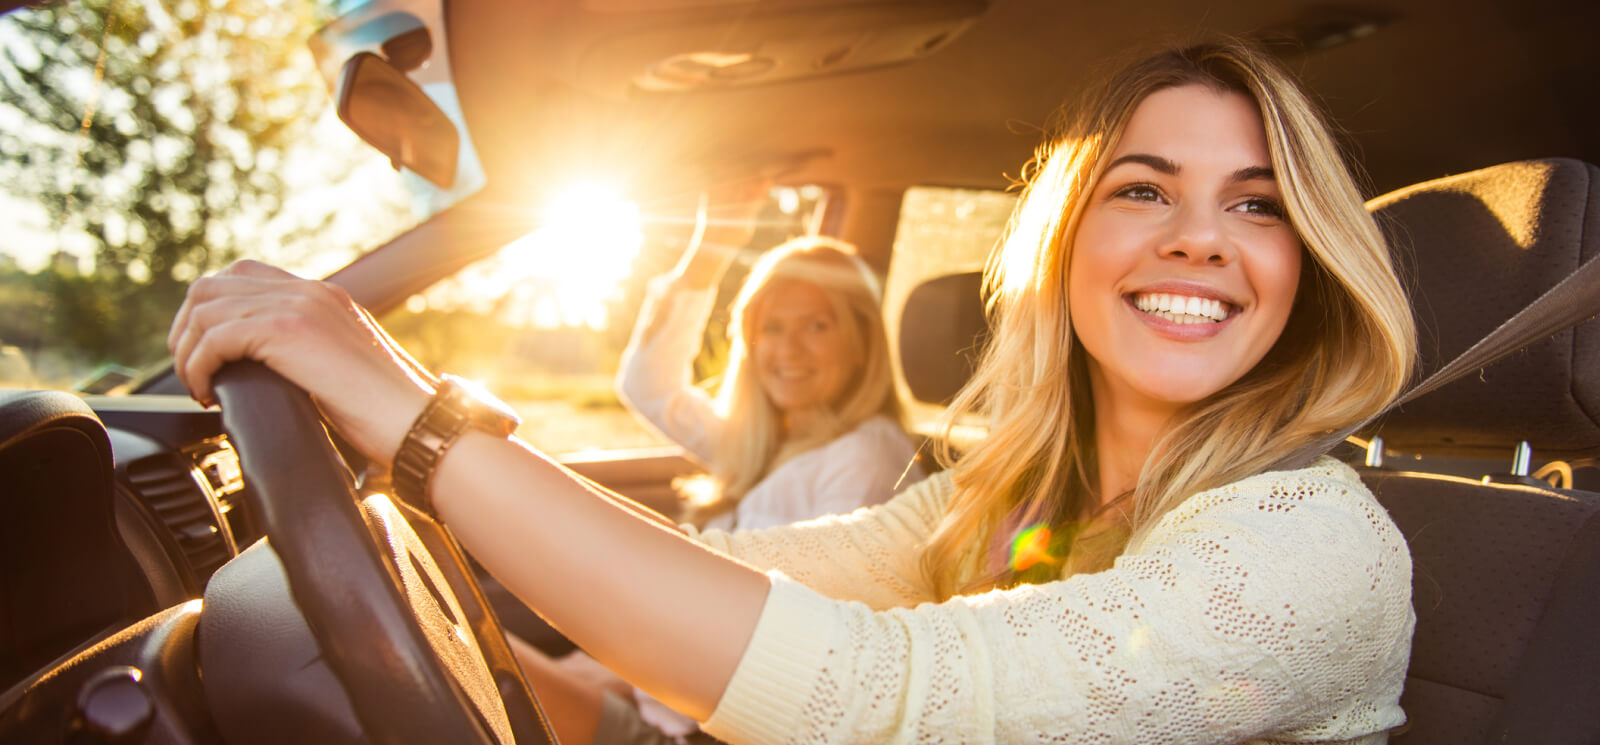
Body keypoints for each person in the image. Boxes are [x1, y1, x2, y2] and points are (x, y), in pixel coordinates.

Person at [169, 39, 1418, 745]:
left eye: (1255, 205)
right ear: (1065, 245)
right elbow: (737, 576)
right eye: (1143, 188)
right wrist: (453, 583)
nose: (1200, 238)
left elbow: (886, 695)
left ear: (1302, 267)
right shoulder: (1002, 500)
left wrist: (416, 414)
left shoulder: (1305, 546)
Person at [616, 189, 923, 531]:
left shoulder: (866, 459)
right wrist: (714, 244)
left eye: (816, 326)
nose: (788, 349)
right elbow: (648, 388)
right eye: (772, 328)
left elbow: (823, 583)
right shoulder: (759, 439)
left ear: (861, 344)